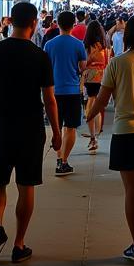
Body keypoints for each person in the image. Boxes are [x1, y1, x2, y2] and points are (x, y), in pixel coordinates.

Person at [0, 2, 61, 264]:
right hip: (31, 127)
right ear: (34, 23)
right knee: (26, 185)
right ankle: (19, 243)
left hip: (1, 124)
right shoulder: (40, 55)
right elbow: (49, 99)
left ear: (10, 21)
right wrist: (57, 131)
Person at [88, 15, 134, 262]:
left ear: (127, 36)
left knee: (132, 191)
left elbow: (102, 98)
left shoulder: (117, 63)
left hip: (126, 131)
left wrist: (90, 114)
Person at [45, 10, 87, 174]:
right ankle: (64, 160)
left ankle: (58, 157)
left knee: (57, 127)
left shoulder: (49, 44)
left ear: (58, 23)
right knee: (70, 127)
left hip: (53, 91)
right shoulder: (78, 44)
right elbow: (83, 67)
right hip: (72, 91)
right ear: (73, 23)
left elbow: (46, 67)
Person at [82, 20, 108, 150]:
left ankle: (93, 137)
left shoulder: (86, 46)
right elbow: (107, 63)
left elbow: (83, 64)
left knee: (91, 103)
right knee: (96, 104)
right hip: (101, 76)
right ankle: (95, 136)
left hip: (89, 77)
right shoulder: (104, 46)